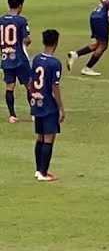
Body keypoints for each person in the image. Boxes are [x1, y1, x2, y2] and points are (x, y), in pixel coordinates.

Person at [29, 29, 63, 182]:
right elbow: (54, 88)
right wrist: (61, 108)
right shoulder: (55, 63)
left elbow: (31, 83)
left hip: (37, 102)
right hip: (49, 105)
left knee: (40, 137)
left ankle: (38, 170)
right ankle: (43, 173)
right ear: (56, 43)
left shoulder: (36, 59)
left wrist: (32, 99)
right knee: (49, 138)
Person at [1, 0, 32, 124]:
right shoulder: (21, 21)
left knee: (10, 86)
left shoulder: (1, 20)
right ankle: (34, 114)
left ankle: (12, 115)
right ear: (20, 6)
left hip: (6, 57)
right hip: (20, 58)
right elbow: (26, 39)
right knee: (29, 85)